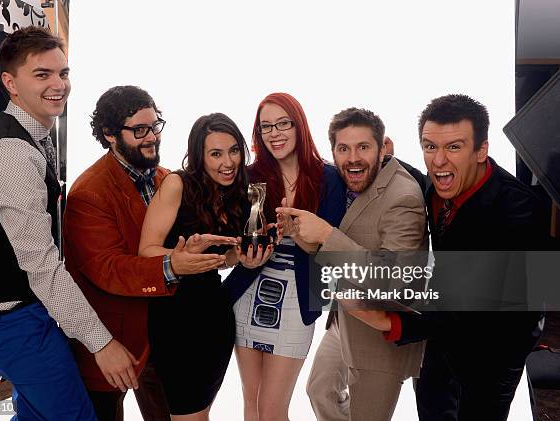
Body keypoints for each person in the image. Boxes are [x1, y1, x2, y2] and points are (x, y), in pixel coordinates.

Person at [0, 26, 137, 420]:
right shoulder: (10, 156)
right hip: (9, 320)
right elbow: (42, 268)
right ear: (10, 82)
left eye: (63, 73)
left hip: (18, 309)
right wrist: (102, 344)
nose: (59, 84)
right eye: (42, 75)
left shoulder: (36, 133)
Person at [350, 94, 546, 421]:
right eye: (430, 147)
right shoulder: (435, 188)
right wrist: (385, 159)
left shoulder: (518, 212)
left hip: (496, 343)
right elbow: (416, 180)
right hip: (443, 333)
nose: (439, 160)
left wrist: (391, 321)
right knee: (431, 407)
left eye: (454, 147)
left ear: (481, 150)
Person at [62, 86, 231, 421]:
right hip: (114, 342)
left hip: (164, 341)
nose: (152, 136)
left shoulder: (167, 179)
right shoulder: (88, 194)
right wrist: (173, 265)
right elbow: (108, 268)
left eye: (155, 126)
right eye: (140, 130)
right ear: (110, 134)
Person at [277, 107, 427, 421]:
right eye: (343, 148)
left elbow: (397, 279)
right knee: (321, 389)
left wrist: (327, 234)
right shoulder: (348, 182)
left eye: (363, 147)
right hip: (346, 315)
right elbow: (333, 254)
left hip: (381, 331)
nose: (353, 157)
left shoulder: (404, 196)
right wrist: (301, 235)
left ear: (383, 147)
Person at [138, 113, 272, 420]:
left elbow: (221, 261)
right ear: (199, 155)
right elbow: (145, 252)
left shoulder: (238, 192)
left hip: (215, 318)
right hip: (176, 321)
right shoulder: (177, 184)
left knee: (200, 414)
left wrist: (243, 257)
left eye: (234, 150)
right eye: (216, 153)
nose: (228, 162)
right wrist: (180, 258)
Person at [222, 92, 345, 421]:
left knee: (273, 409)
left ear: (299, 125)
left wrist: (296, 233)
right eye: (265, 127)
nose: (274, 133)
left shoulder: (328, 178)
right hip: (247, 292)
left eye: (282, 124)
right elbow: (237, 240)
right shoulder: (250, 176)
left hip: (298, 298)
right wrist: (245, 249)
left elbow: (330, 250)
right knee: (252, 405)